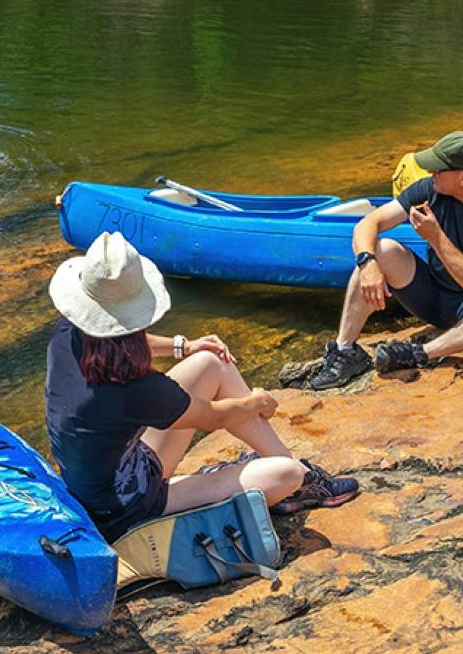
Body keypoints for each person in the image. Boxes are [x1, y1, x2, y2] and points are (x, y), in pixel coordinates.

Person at [45, 231, 356, 538]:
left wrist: (184, 346)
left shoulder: (66, 336)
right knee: (286, 475)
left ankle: (298, 476)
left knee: (211, 362)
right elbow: (214, 417)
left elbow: (116, 340)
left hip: (115, 475)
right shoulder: (133, 389)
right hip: (129, 510)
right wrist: (259, 402)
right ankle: (297, 478)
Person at [310, 132, 463, 389]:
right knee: (383, 249)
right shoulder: (431, 188)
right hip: (431, 295)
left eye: (437, 169)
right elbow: (369, 222)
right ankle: (345, 350)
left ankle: (418, 354)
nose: (430, 173)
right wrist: (367, 263)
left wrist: (436, 236)